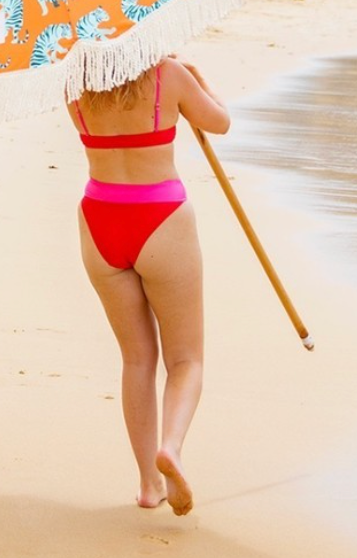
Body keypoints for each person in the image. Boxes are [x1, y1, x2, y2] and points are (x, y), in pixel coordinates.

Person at [67, 55, 230, 516]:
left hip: (100, 218)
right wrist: (201, 82)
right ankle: (171, 447)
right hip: (159, 217)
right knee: (186, 359)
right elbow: (220, 123)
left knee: (137, 358)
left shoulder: (73, 83)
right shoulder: (168, 75)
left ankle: (147, 483)